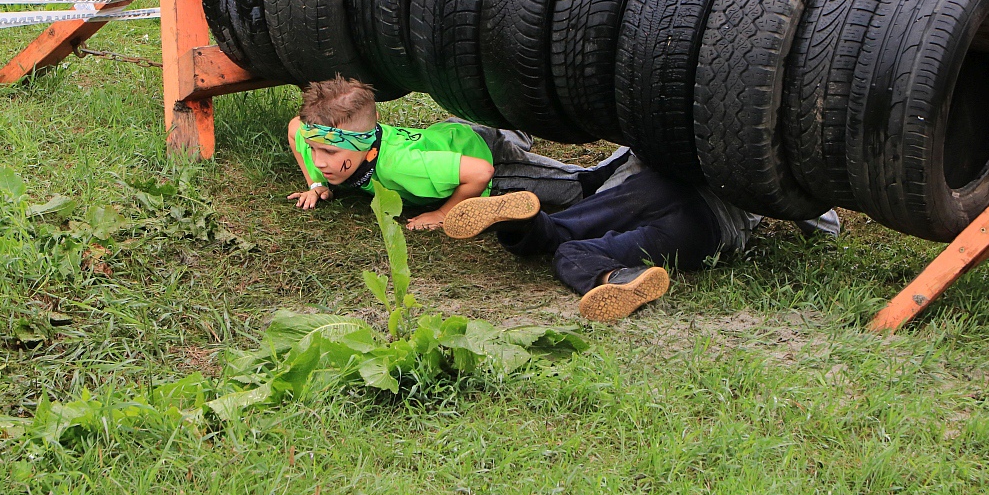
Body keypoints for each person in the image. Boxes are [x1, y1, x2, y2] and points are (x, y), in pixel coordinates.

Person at [442, 148, 840, 322]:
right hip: (708, 225)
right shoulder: (763, 148)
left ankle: (521, 219)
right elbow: (816, 216)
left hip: (657, 184)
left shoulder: (678, 111)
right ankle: (618, 278)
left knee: (565, 233)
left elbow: (638, 149)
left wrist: (603, 197)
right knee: (576, 250)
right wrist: (817, 227)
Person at [287, 77, 622, 230]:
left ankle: (635, 157)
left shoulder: (401, 165)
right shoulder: (318, 137)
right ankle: (513, 120)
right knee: (505, 129)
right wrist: (317, 184)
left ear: (362, 143)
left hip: (486, 161)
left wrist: (445, 213)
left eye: (329, 153)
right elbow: (294, 129)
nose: (318, 160)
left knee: (579, 188)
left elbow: (479, 173)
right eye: (315, 150)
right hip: (452, 137)